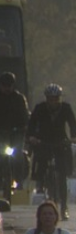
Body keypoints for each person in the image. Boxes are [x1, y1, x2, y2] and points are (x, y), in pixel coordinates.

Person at [26, 83, 76, 217]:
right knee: (41, 161)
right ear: (47, 98)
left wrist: (73, 137)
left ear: (60, 98)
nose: (53, 101)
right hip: (44, 140)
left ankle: (64, 206)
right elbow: (32, 124)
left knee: (62, 173)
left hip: (60, 141)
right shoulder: (40, 108)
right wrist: (32, 137)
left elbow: (72, 123)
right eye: (51, 98)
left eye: (56, 98)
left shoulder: (66, 108)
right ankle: (40, 181)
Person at [0, 71, 29, 201]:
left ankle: (19, 179)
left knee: (18, 154)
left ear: (13, 85)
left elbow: (24, 115)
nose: (7, 88)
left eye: (9, 85)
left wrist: (24, 126)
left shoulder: (19, 98)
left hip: (17, 131)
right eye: (4, 85)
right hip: (2, 132)